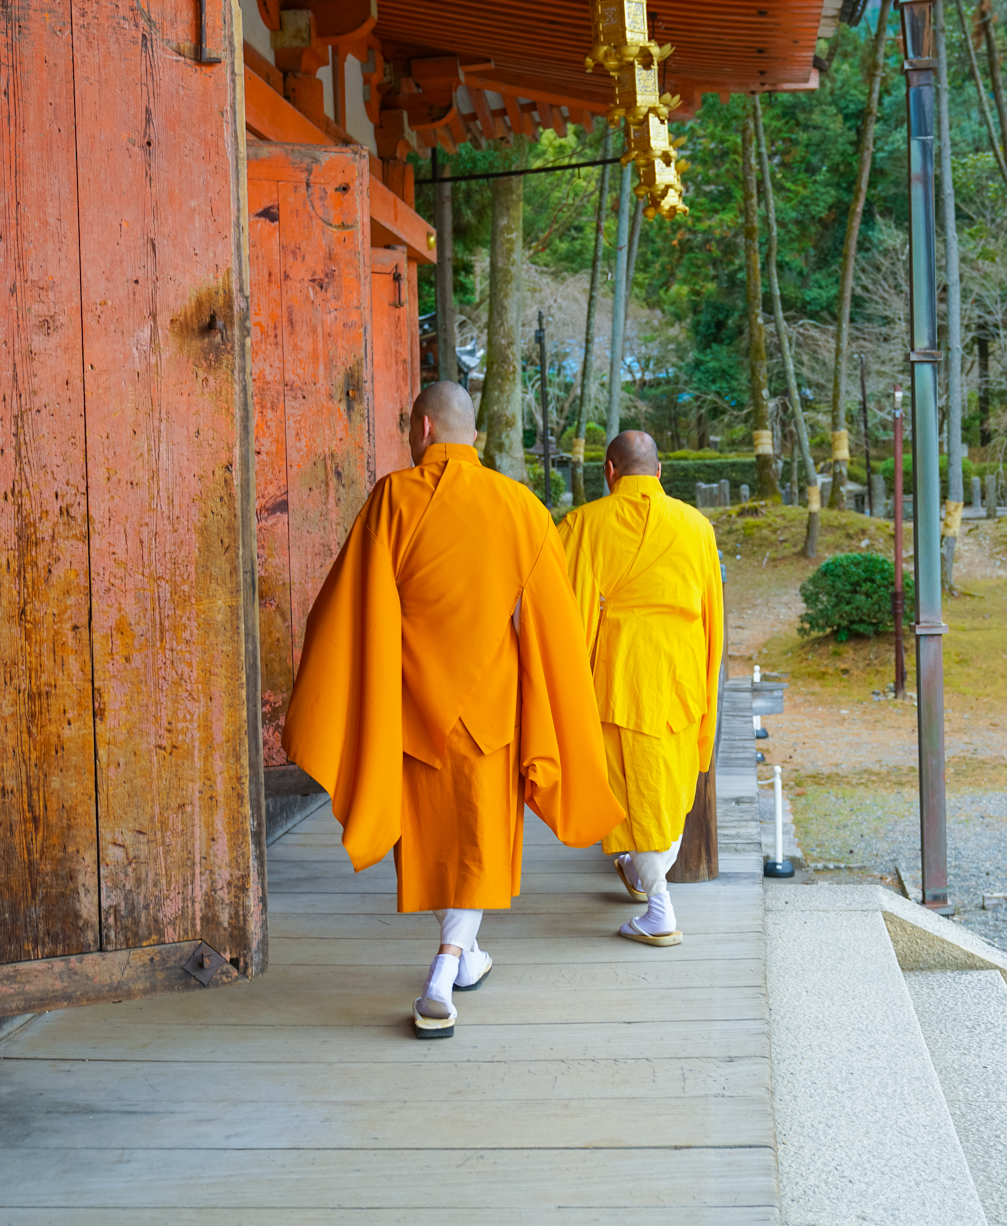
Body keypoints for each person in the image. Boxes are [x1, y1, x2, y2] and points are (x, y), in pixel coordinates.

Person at [283, 382, 623, 1039]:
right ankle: (448, 966)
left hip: (409, 711)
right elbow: (548, 624)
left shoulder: (392, 498)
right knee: (477, 844)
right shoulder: (520, 507)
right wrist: (554, 703)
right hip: (490, 712)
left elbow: (349, 603)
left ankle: (457, 958)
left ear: (424, 428)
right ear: (474, 436)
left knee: (438, 844)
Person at [557, 430, 725, 947]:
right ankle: (640, 872)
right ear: (658, 472)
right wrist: (708, 678)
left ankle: (660, 909)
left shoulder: (584, 524)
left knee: (634, 793)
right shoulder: (698, 527)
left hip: (617, 678)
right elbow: (712, 619)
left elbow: (559, 609)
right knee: (665, 789)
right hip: (679, 679)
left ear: (610, 470)